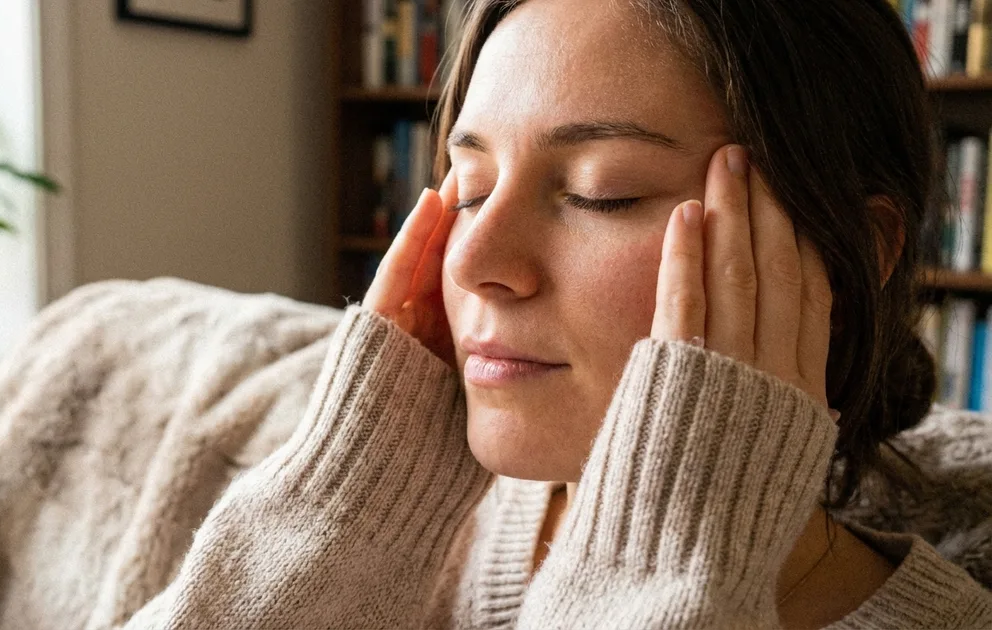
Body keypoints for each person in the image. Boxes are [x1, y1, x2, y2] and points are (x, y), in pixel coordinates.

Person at [130, 0, 992, 627]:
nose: (473, 261)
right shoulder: (399, 534)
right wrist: (335, 518)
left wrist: (663, 565)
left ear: (850, 255)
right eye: (468, 190)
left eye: (600, 194)